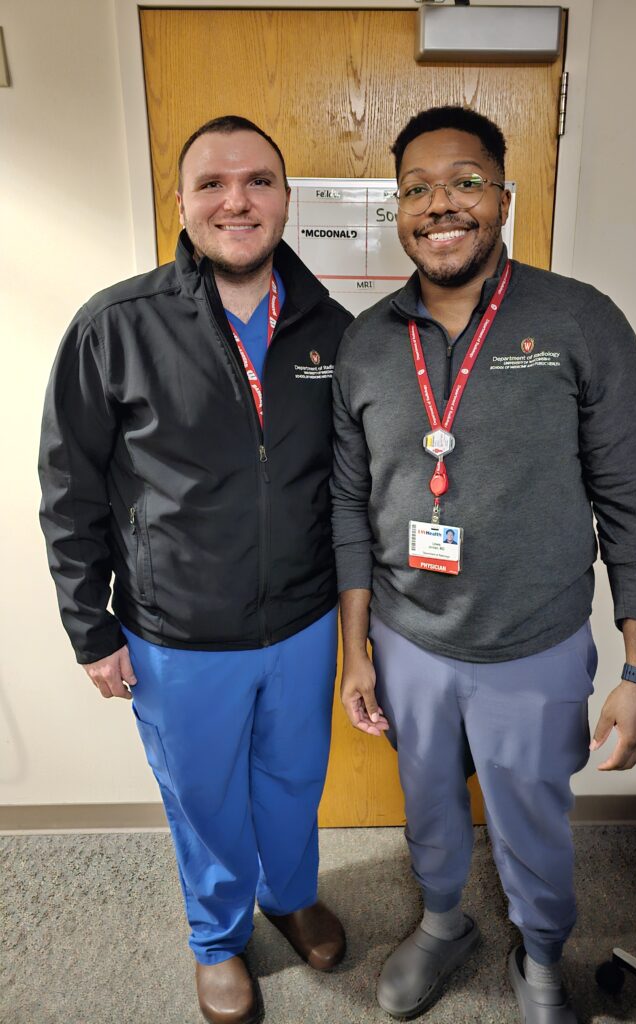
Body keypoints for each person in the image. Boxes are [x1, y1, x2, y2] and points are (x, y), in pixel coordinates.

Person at [331, 106, 636, 1023]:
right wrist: (356, 649)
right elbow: (347, 510)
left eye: (466, 181)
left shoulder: (579, 320)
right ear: (398, 211)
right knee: (429, 805)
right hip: (409, 640)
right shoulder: (366, 344)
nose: (441, 204)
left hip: (535, 643)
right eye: (417, 189)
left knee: (533, 823)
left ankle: (543, 956)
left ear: (503, 197)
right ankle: (446, 923)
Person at [39, 115, 352, 1024]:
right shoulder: (117, 325)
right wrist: (90, 628)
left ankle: (289, 896)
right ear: (181, 202)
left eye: (258, 181)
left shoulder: (332, 328)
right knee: (204, 795)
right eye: (213, 183)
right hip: (176, 631)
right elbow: (69, 487)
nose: (236, 201)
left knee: (296, 779)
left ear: (285, 199)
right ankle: (216, 937)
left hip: (302, 620)